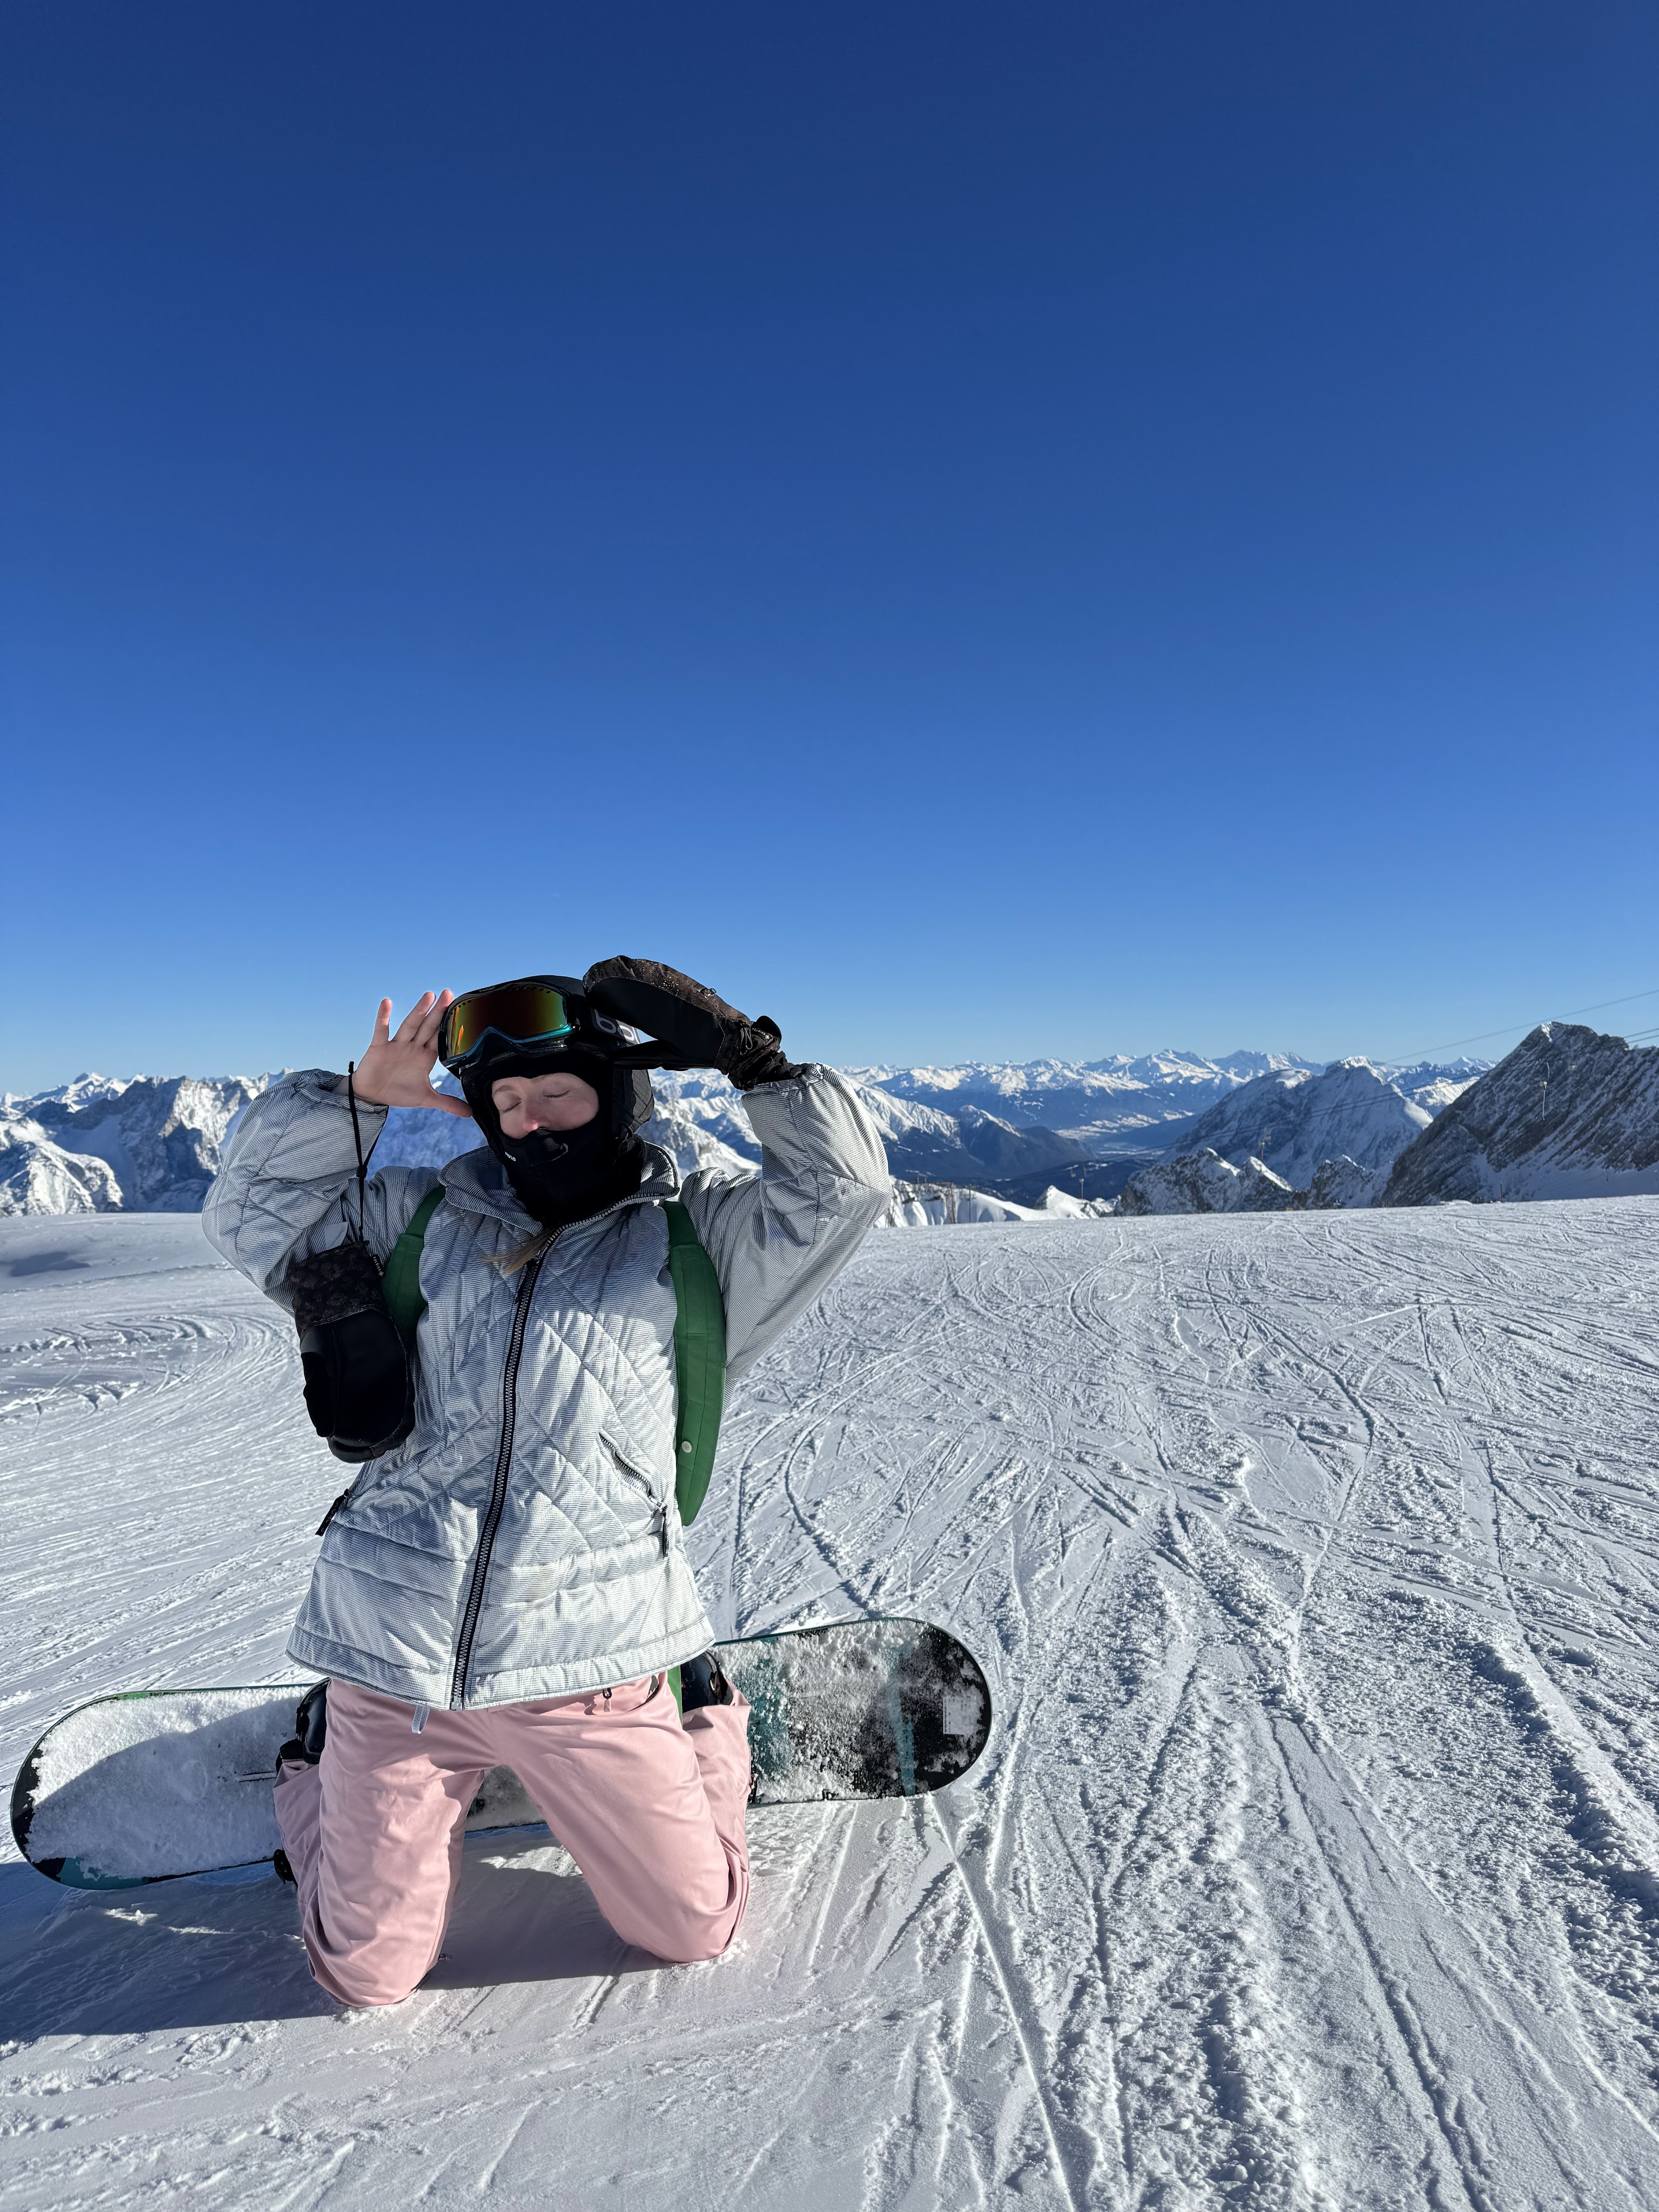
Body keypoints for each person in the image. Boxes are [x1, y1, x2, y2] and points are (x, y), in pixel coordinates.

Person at [203, 959, 889, 2006]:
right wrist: (353, 1102)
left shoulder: (699, 1239)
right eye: (506, 1103)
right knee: (364, 1972)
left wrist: (755, 1064)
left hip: (594, 1653)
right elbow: (249, 1212)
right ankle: (319, 1761)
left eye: (560, 1093)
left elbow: (842, 1190)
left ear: (619, 1094)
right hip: (394, 1654)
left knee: (693, 1927)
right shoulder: (412, 1221)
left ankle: (701, 1707)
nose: (530, 1123)